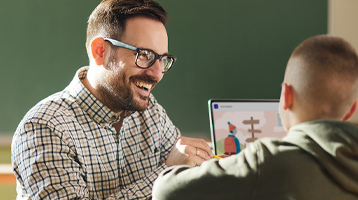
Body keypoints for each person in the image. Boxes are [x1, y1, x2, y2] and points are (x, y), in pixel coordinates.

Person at [11, 0, 213, 199]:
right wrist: (168, 175)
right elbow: (174, 170)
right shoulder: (44, 127)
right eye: (144, 55)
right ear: (100, 51)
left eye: (162, 60)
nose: (157, 73)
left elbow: (187, 180)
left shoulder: (152, 113)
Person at [152, 35, 358, 200]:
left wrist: (178, 163)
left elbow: (164, 192)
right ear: (351, 110)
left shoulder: (268, 161)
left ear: (286, 95)